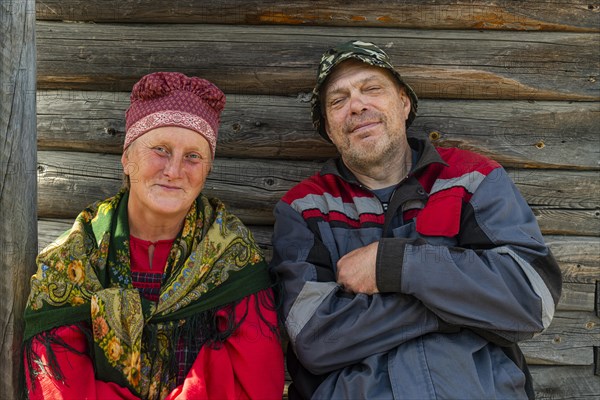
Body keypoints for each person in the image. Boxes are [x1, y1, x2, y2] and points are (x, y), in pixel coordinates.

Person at [270, 40, 562, 399]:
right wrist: (460, 307)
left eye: (371, 89)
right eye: (338, 100)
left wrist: (398, 265)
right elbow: (314, 338)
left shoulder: (472, 178)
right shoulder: (304, 207)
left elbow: (530, 297)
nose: (357, 105)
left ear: (404, 103)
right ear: (328, 129)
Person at [23, 72, 284, 400]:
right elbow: (57, 386)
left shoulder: (232, 255)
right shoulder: (71, 259)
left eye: (193, 156)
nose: (174, 170)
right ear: (126, 158)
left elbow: (255, 384)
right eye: (160, 149)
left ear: (208, 169)